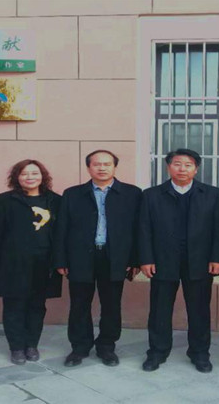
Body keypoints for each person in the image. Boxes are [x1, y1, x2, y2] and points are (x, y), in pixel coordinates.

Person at [139, 148, 219, 373]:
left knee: (199, 310)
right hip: (163, 260)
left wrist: (217, 258)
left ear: (196, 169)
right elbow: (144, 229)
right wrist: (146, 258)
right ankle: (157, 352)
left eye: (188, 165)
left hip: (200, 261)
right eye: (177, 164)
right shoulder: (151, 195)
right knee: (159, 310)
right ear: (168, 167)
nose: (182, 169)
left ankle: (199, 353)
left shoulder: (212, 194)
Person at [54, 150, 141, 367]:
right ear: (88, 167)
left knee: (111, 305)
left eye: (107, 164)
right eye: (96, 164)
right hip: (80, 256)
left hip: (115, 257)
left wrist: (135, 260)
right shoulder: (72, 194)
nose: (102, 168)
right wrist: (61, 259)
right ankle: (79, 347)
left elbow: (139, 229)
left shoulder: (132, 193)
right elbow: (61, 228)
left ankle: (106, 347)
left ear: (114, 167)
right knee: (79, 304)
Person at [0, 160, 62, 365]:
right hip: (12, 262)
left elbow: (62, 233)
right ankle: (17, 347)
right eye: (24, 173)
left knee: (37, 306)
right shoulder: (5, 200)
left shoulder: (55, 200)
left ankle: (31, 345)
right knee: (14, 305)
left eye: (34, 173)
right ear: (17, 177)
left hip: (44, 263)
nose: (30, 177)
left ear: (42, 176)